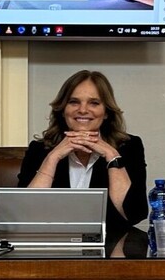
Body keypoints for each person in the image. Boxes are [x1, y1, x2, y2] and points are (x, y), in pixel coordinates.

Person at [17, 70, 147, 230]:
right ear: (63, 110)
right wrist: (53, 158)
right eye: (74, 102)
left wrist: (112, 156)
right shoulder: (39, 149)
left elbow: (134, 214)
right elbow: (25, 213)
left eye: (94, 103)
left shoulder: (129, 147)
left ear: (106, 112)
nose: (83, 110)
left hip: (111, 241)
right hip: (53, 239)